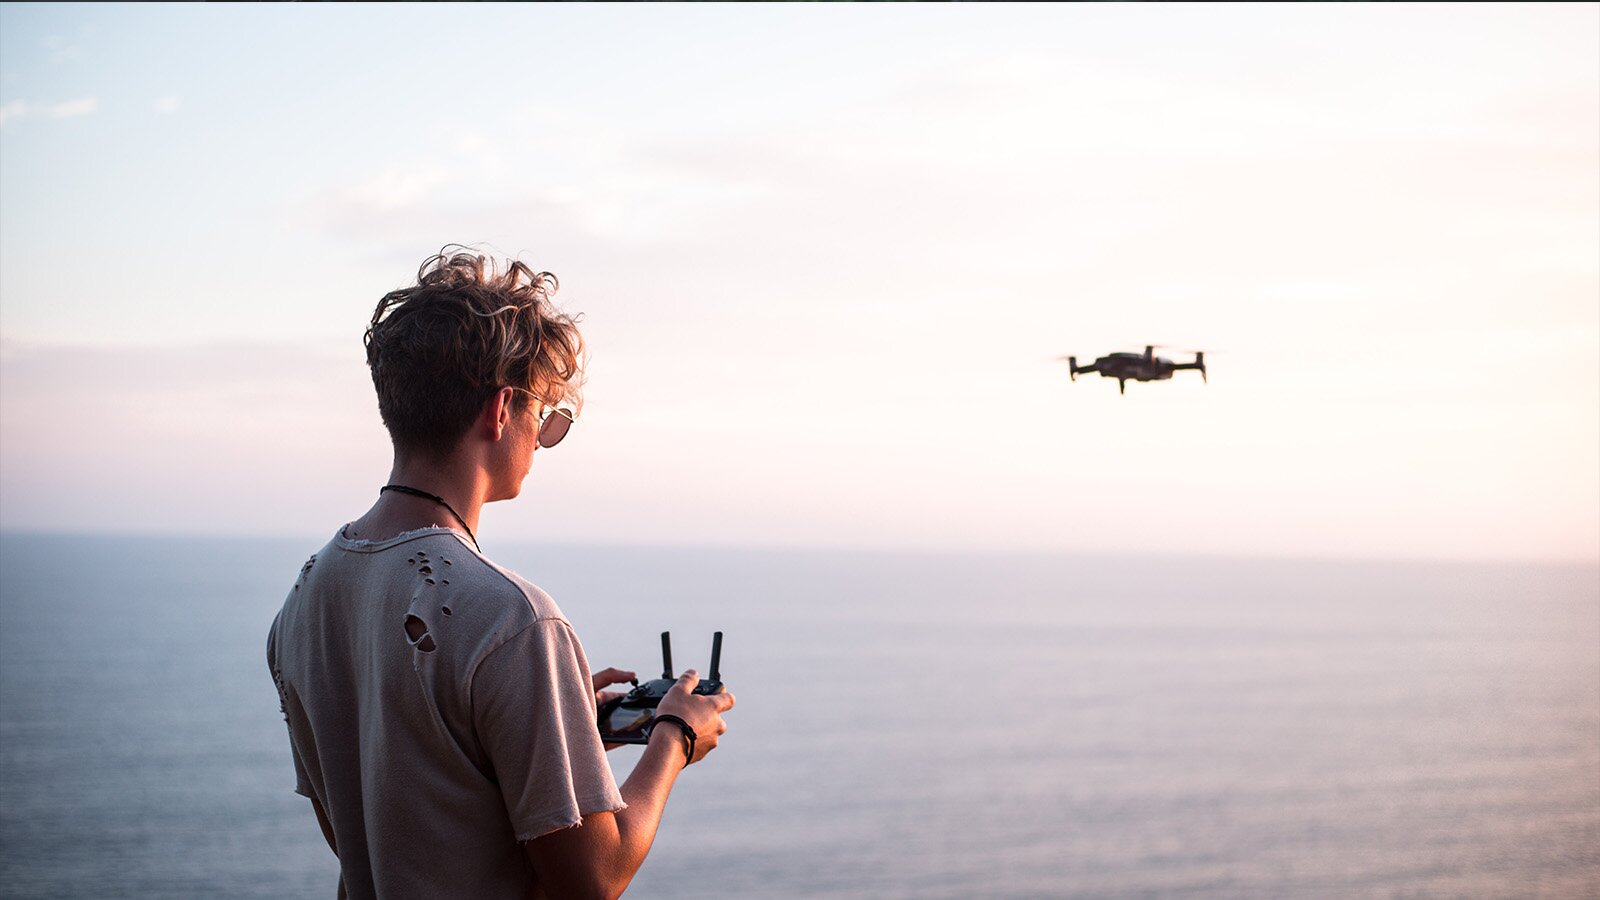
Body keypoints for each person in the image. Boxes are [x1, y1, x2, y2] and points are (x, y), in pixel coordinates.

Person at [266, 247, 735, 899]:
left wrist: (553, 734)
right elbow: (593, 879)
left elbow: (374, 824)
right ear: (501, 409)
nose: (541, 439)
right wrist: (673, 737)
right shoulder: (514, 620)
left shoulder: (304, 597)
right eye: (545, 416)